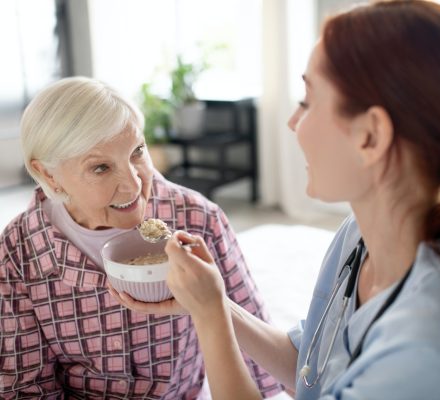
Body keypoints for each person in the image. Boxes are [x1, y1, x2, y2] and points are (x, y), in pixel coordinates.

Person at [111, 1, 440, 399]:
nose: (293, 121)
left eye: (308, 101)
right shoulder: (358, 237)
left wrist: (210, 318)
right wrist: (212, 302)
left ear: (371, 136)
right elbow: (309, 370)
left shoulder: (433, 351)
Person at [0, 76, 284, 399]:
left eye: (137, 151)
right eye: (101, 168)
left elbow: (265, 365)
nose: (134, 186)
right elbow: (26, 389)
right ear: (49, 175)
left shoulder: (199, 220)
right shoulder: (17, 253)